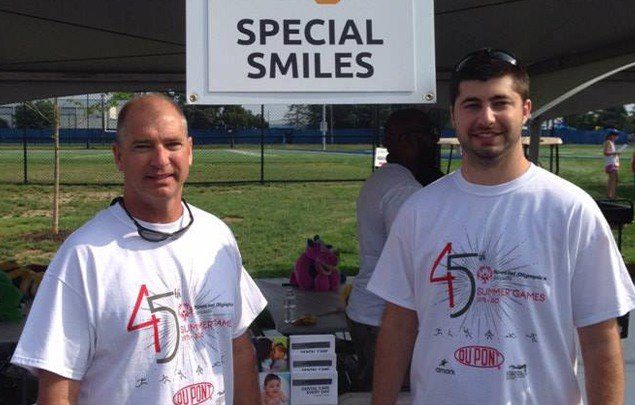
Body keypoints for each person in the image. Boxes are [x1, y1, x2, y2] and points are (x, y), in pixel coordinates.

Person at [368, 49, 635, 404]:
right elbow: (398, 324)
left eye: (500, 102)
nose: (487, 117)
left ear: (525, 110)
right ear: (454, 114)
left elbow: (600, 335)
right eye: (472, 104)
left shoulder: (571, 209)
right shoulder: (419, 211)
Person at [11, 94, 267, 404]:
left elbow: (239, 349)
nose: (161, 160)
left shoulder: (217, 238)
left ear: (189, 151)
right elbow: (57, 393)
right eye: (143, 146)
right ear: (118, 156)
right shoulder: (84, 256)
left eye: (172, 145)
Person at [345, 108, 443, 390]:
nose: (431, 144)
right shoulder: (403, 190)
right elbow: (419, 258)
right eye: (427, 136)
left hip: (371, 312)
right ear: (405, 139)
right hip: (386, 319)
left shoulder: (386, 178)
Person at [603, 129, 621, 199]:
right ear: (611, 135)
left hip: (613, 163)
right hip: (611, 164)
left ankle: (610, 195)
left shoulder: (611, 143)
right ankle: (612, 196)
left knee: (613, 180)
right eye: (616, 135)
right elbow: (605, 152)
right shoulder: (608, 142)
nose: (617, 137)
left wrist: (616, 154)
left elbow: (610, 153)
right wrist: (615, 153)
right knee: (613, 180)